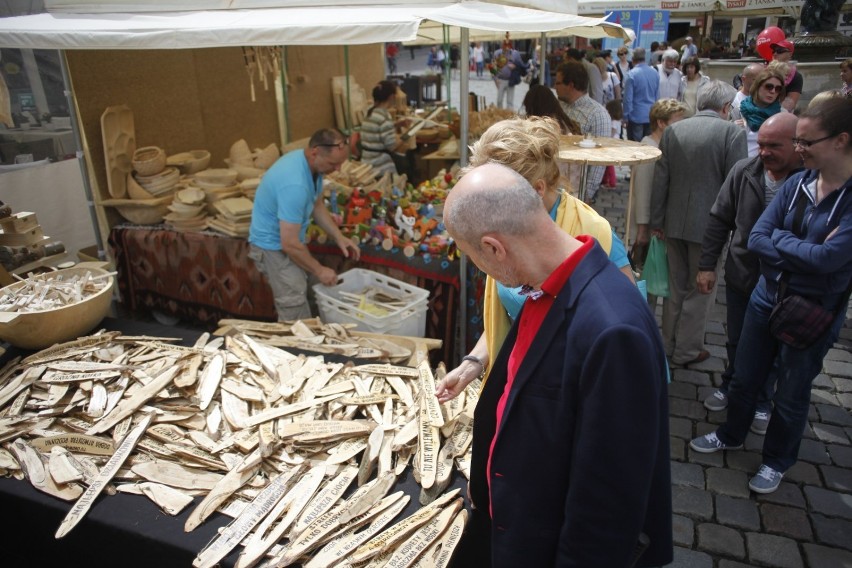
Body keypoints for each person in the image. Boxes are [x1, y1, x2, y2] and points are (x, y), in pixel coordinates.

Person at [443, 162, 672, 568]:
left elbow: (608, 506)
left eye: (471, 256)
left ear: (494, 248)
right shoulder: (544, 286)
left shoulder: (613, 332)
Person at [689, 98, 852, 494]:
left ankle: (776, 460)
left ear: (841, 141)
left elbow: (830, 258)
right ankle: (732, 433)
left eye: (806, 142)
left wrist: (785, 242)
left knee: (792, 394)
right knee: (744, 377)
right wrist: (802, 249)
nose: (799, 150)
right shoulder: (797, 184)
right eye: (796, 142)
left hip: (813, 310)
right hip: (766, 296)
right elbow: (758, 237)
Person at [435, 116, 635, 405]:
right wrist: (472, 363)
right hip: (520, 379)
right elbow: (510, 316)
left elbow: (619, 340)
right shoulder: (504, 231)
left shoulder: (596, 235)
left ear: (537, 190)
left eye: (494, 192)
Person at [697, 113, 803, 433]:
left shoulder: (809, 181)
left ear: (797, 146)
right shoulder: (744, 172)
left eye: (775, 146)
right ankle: (731, 383)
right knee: (737, 338)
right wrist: (707, 265)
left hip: (786, 284)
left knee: (773, 346)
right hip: (743, 274)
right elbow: (719, 219)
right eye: (762, 144)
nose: (765, 152)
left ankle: (761, 400)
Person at [650, 81, 747, 366]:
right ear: (727, 107)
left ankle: (667, 344)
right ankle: (687, 350)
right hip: (710, 227)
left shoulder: (675, 130)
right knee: (701, 290)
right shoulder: (732, 133)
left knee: (676, 287)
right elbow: (735, 185)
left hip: (673, 221)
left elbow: (661, 180)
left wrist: (657, 220)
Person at [248, 128, 361, 320]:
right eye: (334, 163)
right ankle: (296, 347)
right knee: (294, 300)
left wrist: (338, 235)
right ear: (315, 152)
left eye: (341, 163)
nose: (338, 169)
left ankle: (314, 337)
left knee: (312, 289)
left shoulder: (311, 166)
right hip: (272, 246)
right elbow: (289, 243)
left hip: (289, 241)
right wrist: (319, 269)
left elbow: (316, 204)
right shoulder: (295, 184)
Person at [630, 98, 687, 267]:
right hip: (647, 227)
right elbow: (642, 191)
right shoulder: (649, 149)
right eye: (677, 121)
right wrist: (642, 228)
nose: (681, 125)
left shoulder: (663, 145)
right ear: (661, 123)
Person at [555, 61, 611, 203]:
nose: (555, 87)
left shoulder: (597, 114)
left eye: (558, 83)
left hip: (576, 192)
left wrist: (586, 195)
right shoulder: (557, 106)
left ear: (571, 85)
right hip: (554, 186)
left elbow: (600, 159)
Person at [736, 67, 787, 157]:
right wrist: (732, 128)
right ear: (757, 86)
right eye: (769, 87)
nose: (773, 91)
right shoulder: (738, 110)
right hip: (740, 165)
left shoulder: (783, 116)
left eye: (778, 88)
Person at [360, 80, 407, 176]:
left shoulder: (369, 111)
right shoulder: (385, 116)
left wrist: (396, 124)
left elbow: (377, 127)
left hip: (366, 163)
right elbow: (391, 146)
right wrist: (407, 135)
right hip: (380, 167)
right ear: (391, 97)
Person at [622, 47, 660, 142]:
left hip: (635, 115)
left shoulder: (631, 74)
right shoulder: (655, 73)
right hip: (650, 114)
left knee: (635, 145)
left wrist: (625, 116)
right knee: (648, 144)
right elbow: (657, 95)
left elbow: (628, 98)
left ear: (633, 59)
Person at [491, 42, 527, 110]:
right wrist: (495, 79)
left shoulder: (515, 54)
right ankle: (500, 114)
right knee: (499, 100)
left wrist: (515, 66)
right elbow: (492, 67)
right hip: (500, 80)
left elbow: (522, 66)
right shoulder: (497, 53)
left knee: (510, 102)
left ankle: (509, 116)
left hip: (511, 80)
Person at [770, 40, 803, 112]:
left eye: (779, 51)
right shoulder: (765, 70)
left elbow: (790, 104)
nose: (775, 53)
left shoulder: (796, 76)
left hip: (780, 115)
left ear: (790, 54)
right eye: (774, 51)